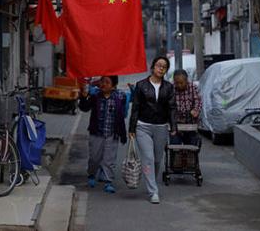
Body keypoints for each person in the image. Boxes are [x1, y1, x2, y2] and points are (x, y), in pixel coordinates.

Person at [128, 56, 177, 204]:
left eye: (164, 67)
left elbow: (172, 108)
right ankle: (153, 191)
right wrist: (132, 128)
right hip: (143, 126)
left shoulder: (169, 87)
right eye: (158, 65)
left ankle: (151, 181)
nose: (161, 68)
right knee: (148, 158)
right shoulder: (141, 85)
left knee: (156, 159)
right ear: (153, 67)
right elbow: (135, 108)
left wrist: (173, 126)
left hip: (161, 127)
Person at [79, 75, 127, 194]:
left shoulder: (120, 96)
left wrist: (124, 133)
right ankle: (91, 175)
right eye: (102, 81)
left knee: (109, 159)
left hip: (112, 133)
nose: (103, 84)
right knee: (94, 158)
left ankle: (108, 181)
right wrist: (84, 97)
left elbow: (123, 114)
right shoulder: (95, 96)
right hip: (97, 132)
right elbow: (84, 108)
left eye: (107, 82)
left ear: (114, 85)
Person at [170, 69, 202, 146]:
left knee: (192, 148)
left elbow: (198, 101)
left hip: (191, 124)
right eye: (177, 83)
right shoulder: (171, 89)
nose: (179, 85)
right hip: (176, 125)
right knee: (174, 147)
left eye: (181, 83)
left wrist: (195, 110)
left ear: (186, 80)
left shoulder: (192, 87)